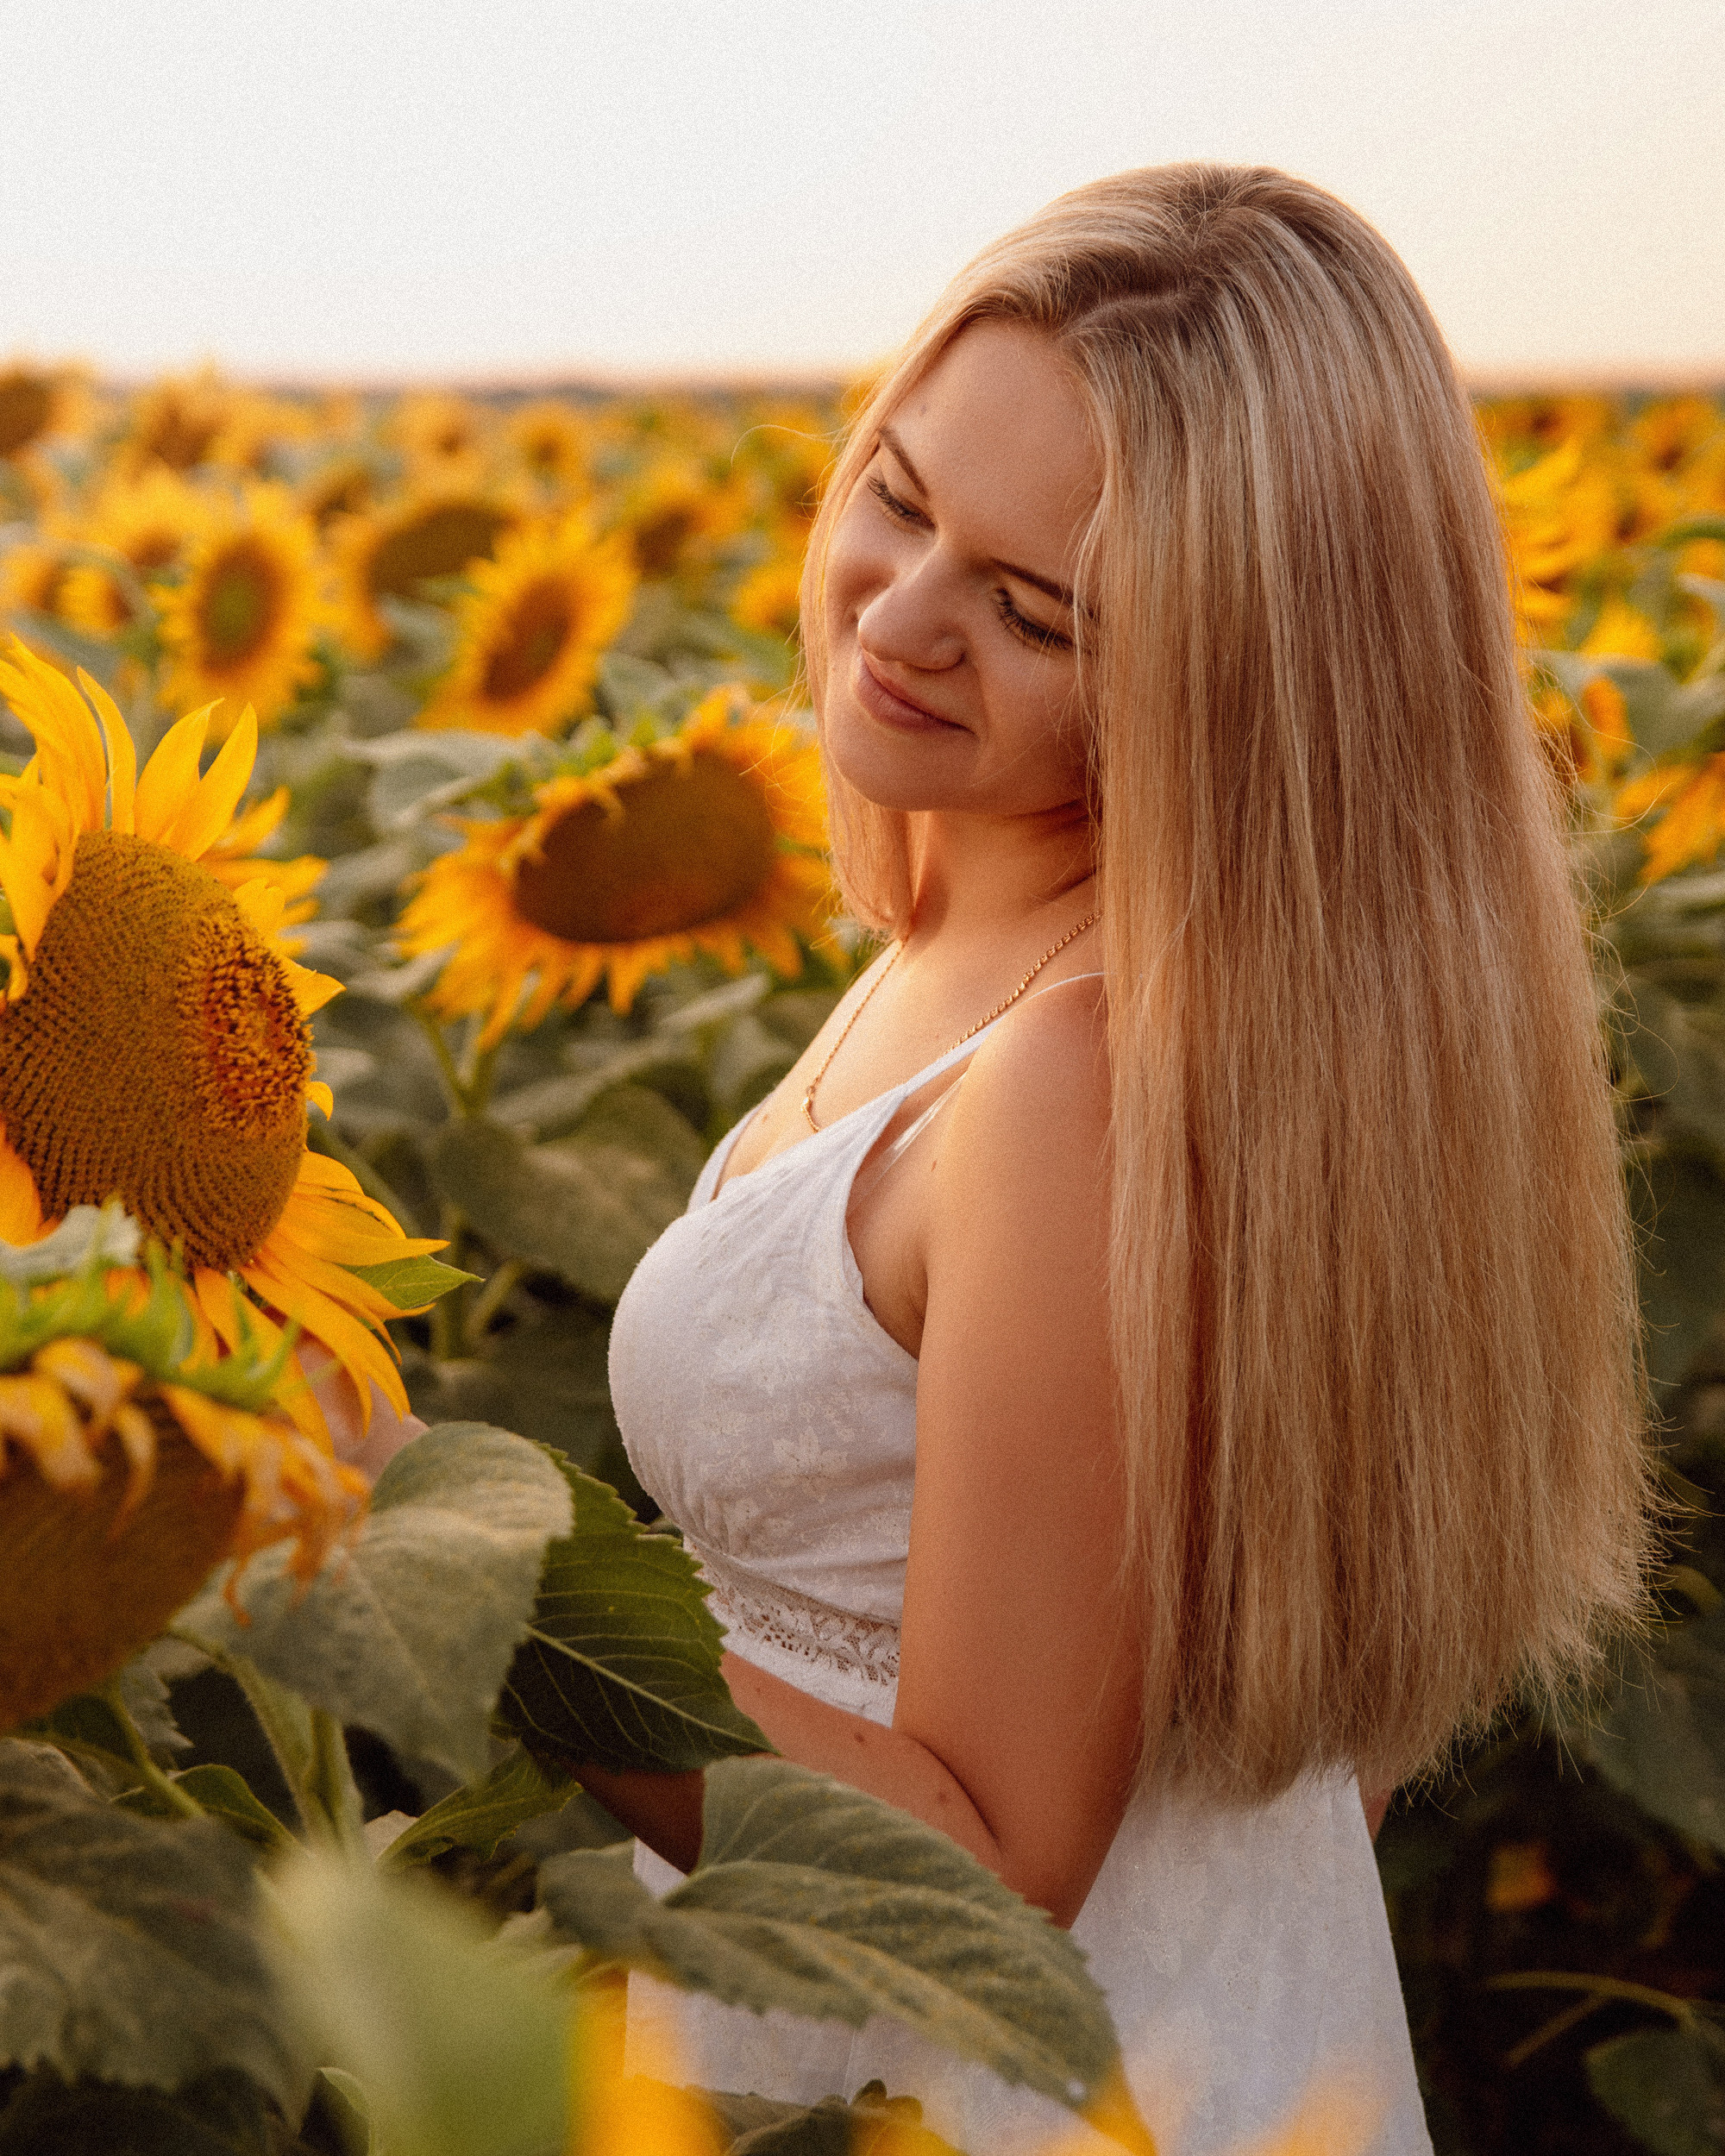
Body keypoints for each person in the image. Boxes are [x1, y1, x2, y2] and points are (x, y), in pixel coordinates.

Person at [586, 164, 1655, 2154]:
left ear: (1225, 687)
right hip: (1169, 2046)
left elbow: (985, 1889)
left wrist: (489, 1581)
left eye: (1033, 612)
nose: (898, 618)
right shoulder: (1043, 956)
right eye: (901, 496)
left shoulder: (1076, 1070)